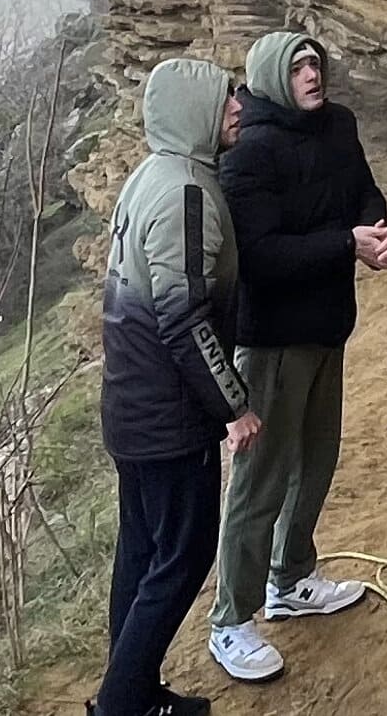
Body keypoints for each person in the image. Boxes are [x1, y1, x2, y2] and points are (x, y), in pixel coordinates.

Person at [207, 30, 387, 684]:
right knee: (262, 481)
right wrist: (345, 244)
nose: (312, 75)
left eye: (315, 62)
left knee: (316, 461)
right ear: (271, 78)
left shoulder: (338, 126)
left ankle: (289, 581)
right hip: (272, 343)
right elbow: (258, 259)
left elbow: (364, 193)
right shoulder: (250, 156)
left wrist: (374, 233)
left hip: (327, 328)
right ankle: (230, 621)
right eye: (297, 68)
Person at [96, 59, 258, 716]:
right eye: (224, 101)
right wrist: (235, 408)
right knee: (182, 558)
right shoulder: (186, 193)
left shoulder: (152, 174)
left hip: (130, 405)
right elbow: (183, 315)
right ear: (194, 113)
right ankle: (120, 705)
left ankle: (133, 693)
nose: (238, 107)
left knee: (141, 551)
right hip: (167, 416)